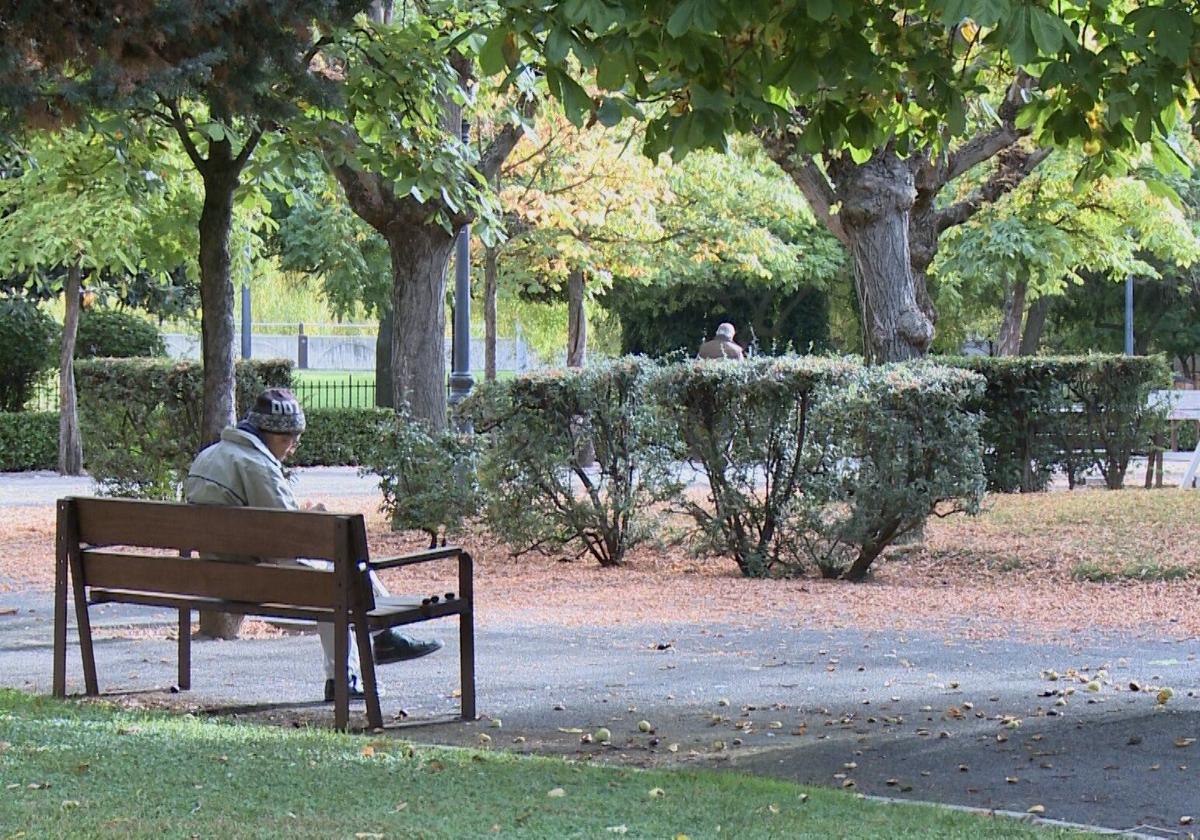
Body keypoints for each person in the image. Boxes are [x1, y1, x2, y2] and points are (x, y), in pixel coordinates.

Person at [183, 387, 442, 702]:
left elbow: (267, 525)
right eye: (286, 439)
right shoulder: (256, 465)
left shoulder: (210, 456)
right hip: (251, 578)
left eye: (296, 439)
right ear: (263, 433)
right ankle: (357, 664)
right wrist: (313, 517)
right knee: (337, 574)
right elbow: (291, 538)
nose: (292, 447)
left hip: (218, 573)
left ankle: (380, 641)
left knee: (335, 571)